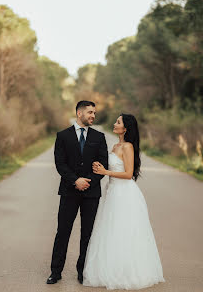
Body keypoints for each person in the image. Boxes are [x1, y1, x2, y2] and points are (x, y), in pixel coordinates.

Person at [83, 114, 165, 290]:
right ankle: (112, 269)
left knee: (124, 231)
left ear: (126, 128)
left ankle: (127, 272)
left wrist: (105, 172)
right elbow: (111, 167)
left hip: (125, 194)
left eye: (118, 122)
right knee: (111, 231)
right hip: (112, 192)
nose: (114, 123)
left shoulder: (127, 147)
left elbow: (128, 174)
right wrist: (98, 167)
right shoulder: (115, 146)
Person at [46, 100, 108, 284]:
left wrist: (88, 182)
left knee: (87, 234)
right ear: (79, 113)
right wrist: (75, 180)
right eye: (90, 112)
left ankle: (83, 272)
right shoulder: (63, 136)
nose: (93, 116)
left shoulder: (99, 137)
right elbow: (60, 163)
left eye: (94, 113)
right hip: (68, 191)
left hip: (91, 193)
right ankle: (55, 272)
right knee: (63, 232)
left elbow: (103, 164)